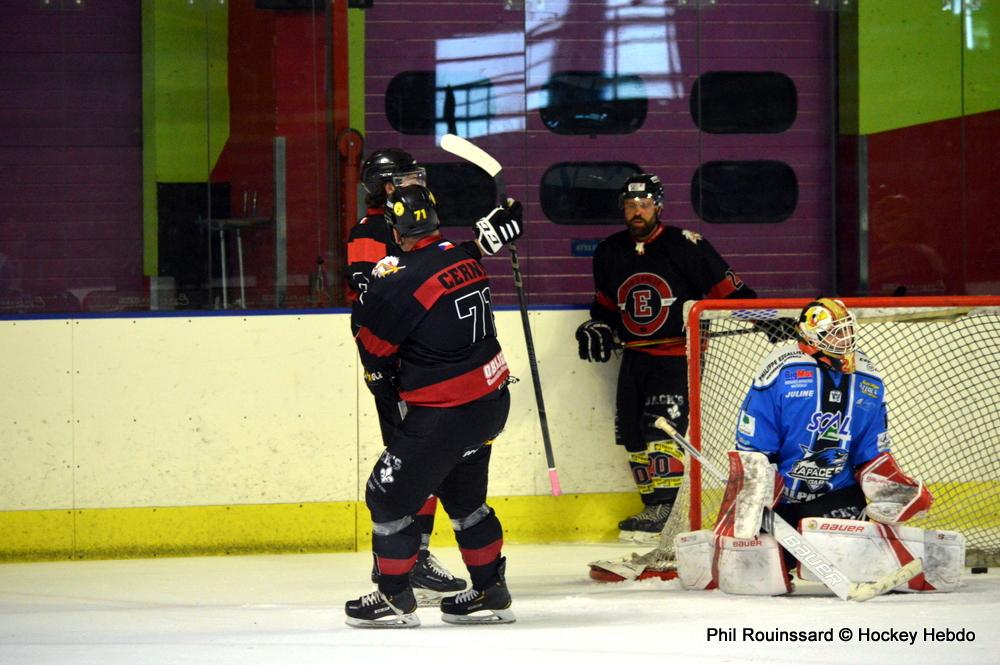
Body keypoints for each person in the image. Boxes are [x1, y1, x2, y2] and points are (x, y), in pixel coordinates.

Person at [672, 298, 951, 596]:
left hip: (836, 498)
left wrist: (894, 488)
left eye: (848, 332)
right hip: (780, 506)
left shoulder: (869, 381)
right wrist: (755, 498)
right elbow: (755, 450)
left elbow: (871, 453)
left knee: (847, 554)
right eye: (836, 333)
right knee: (756, 576)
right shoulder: (780, 373)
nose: (846, 340)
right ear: (811, 335)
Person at [345, 184, 523, 628]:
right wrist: (491, 234)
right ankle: (490, 591)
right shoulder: (461, 257)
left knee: (386, 497)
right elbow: (461, 255)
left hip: (444, 413)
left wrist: (371, 298)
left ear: (393, 226)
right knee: (467, 503)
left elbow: (372, 345)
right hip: (489, 404)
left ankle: (393, 599)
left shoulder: (400, 278)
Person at [575, 173, 756, 543]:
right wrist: (596, 326)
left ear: (658, 206)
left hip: (678, 354)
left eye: (643, 205)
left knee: (659, 428)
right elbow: (606, 306)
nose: (637, 212)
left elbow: (729, 290)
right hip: (634, 356)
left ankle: (668, 509)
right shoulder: (609, 251)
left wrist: (766, 316)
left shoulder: (686, 245)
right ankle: (652, 507)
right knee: (631, 433)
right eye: (630, 206)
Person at [346, 148, 464, 601]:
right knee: (409, 463)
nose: (416, 181)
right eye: (405, 176)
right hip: (395, 366)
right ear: (384, 186)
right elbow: (374, 302)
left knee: (427, 460)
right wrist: (382, 370)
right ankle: (401, 563)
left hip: (422, 362)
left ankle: (413, 556)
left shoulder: (411, 221)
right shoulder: (372, 232)